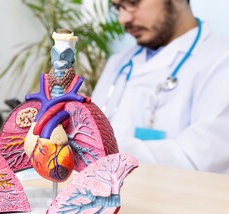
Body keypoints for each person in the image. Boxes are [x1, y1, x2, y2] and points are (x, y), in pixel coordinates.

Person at [91, 0, 229, 174]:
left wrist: (98, 149)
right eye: (118, 7)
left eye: (132, 3)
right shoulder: (119, 63)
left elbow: (198, 160)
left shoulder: (222, 59)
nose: (123, 19)